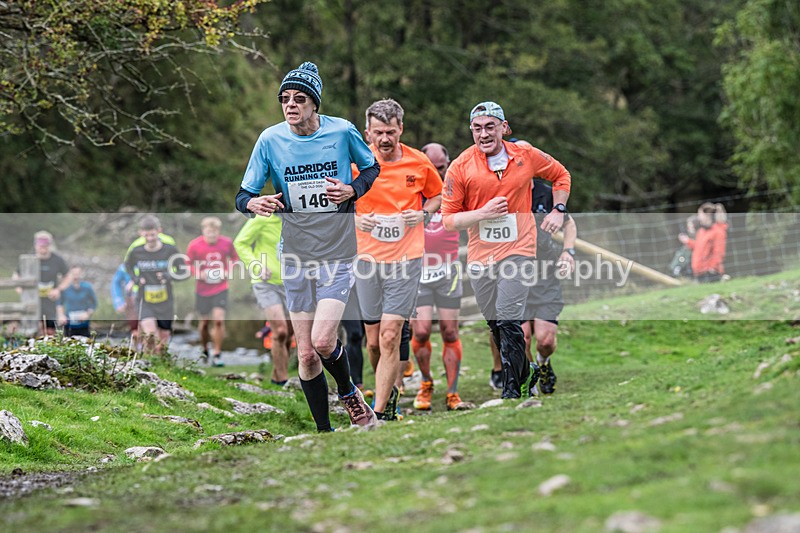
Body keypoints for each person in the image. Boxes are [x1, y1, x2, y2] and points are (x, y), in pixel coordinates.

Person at [235, 61, 380, 431]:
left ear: (315, 104)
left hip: (337, 250)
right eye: (285, 99)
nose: (291, 105)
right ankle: (324, 433)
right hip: (296, 253)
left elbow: (370, 169)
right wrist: (255, 203)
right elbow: (244, 194)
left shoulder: (342, 131)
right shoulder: (270, 139)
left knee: (322, 339)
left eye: (300, 99)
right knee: (305, 353)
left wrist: (351, 189)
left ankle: (348, 393)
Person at [440, 101, 572, 399]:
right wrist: (482, 214)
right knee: (496, 324)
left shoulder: (525, 154)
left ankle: (513, 390)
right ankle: (527, 373)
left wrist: (558, 209)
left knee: (509, 316)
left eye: (490, 126)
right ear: (471, 131)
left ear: (504, 128)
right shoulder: (461, 166)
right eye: (477, 128)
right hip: (482, 255)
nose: (484, 134)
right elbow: (449, 220)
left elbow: (561, 175)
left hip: (520, 249)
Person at [353, 98, 443, 421]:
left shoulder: (419, 163)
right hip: (367, 259)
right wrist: (353, 219)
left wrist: (421, 214)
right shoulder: (357, 163)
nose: (385, 139)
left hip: (406, 257)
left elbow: (437, 196)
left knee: (392, 334)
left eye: (390, 131)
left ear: (401, 129)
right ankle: (387, 392)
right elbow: (336, 202)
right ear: (368, 132)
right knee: (374, 343)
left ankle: (379, 412)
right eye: (378, 132)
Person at [489, 175, 578, 396]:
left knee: (545, 341)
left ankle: (543, 363)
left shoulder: (546, 194)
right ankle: (530, 380)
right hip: (512, 275)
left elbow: (569, 224)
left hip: (545, 277)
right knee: (523, 338)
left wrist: (568, 251)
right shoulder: (499, 194)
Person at [411, 142, 473, 411]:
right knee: (422, 330)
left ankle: (452, 392)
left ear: (448, 165)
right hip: (418, 269)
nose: (436, 172)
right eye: (432, 168)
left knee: (449, 331)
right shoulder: (412, 189)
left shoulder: (455, 189)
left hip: (448, 269)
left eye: (441, 167)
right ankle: (425, 382)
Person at [234, 214, 294, 385]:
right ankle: (282, 381)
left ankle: (277, 374)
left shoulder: (297, 219)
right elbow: (240, 242)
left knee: (289, 334)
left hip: (292, 282)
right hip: (265, 283)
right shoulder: (262, 218)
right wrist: (256, 265)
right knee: (280, 331)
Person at [125, 215, 185, 354]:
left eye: (152, 234)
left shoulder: (170, 250)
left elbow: (184, 271)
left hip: (165, 300)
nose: (150, 238)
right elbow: (128, 266)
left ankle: (160, 366)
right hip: (144, 299)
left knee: (162, 342)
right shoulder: (136, 251)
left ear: (159, 231)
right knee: (151, 335)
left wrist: (168, 276)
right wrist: (136, 278)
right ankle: (147, 366)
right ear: (140, 233)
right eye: (146, 235)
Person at [186, 216, 239, 367]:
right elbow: (188, 262)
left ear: (218, 231)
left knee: (218, 320)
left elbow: (235, 258)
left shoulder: (226, 243)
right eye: (209, 232)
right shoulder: (195, 245)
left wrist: (228, 271)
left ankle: (217, 353)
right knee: (204, 323)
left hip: (221, 287)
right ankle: (204, 349)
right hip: (202, 289)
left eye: (214, 232)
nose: (211, 236)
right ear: (204, 231)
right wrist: (198, 273)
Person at [13, 231, 71, 336]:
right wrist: (21, 291)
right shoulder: (28, 259)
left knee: (50, 330)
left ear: (50, 245)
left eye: (45, 246)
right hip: (32, 300)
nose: (43, 248)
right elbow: (16, 276)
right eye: (40, 246)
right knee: (33, 328)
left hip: (50, 300)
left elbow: (68, 276)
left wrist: (58, 290)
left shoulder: (57, 260)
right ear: (35, 245)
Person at [681, 202, 728, 283]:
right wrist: (687, 241)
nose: (698, 218)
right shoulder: (701, 231)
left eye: (700, 214)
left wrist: (712, 268)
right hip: (699, 272)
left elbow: (719, 252)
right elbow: (698, 247)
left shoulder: (718, 231)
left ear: (707, 215)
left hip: (711, 273)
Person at [56, 266, 98, 338]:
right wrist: (61, 315)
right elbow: (59, 303)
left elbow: (94, 303)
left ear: (81, 274)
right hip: (69, 322)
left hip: (83, 322)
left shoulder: (87, 287)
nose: (76, 276)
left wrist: (87, 314)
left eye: (78, 273)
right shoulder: (65, 288)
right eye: (74, 273)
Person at [111, 263, 139, 346]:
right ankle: (139, 352)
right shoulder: (124, 267)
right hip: (131, 301)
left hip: (149, 302)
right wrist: (118, 302)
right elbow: (115, 284)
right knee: (135, 331)